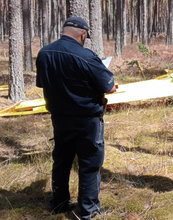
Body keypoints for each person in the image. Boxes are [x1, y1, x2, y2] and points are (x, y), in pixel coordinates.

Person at [36, 16, 116, 219]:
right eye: (86, 36)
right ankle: (88, 211)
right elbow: (108, 85)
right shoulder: (86, 56)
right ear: (82, 33)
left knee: (61, 160)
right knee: (89, 164)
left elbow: (43, 84)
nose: (85, 39)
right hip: (87, 119)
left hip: (60, 118)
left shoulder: (44, 53)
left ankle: (59, 204)